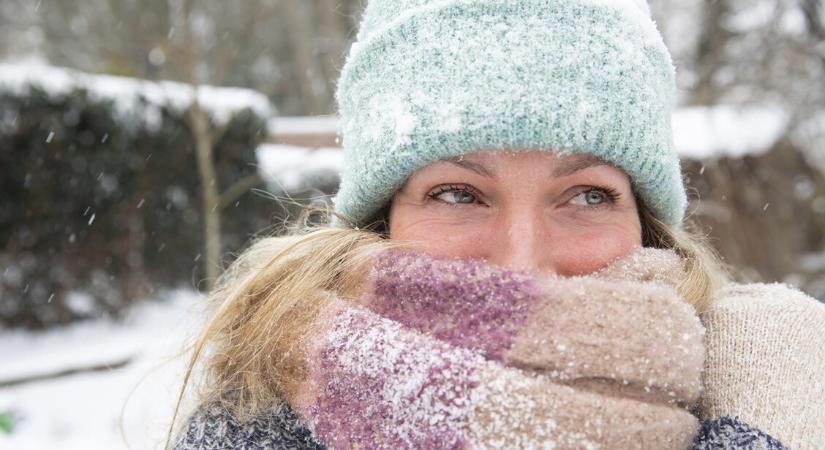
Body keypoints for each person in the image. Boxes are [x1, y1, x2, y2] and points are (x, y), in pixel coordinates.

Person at [169, 0, 825, 448]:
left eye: (587, 196)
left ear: (648, 224)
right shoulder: (260, 429)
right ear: (380, 221)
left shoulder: (766, 377)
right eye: (458, 194)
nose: (521, 265)